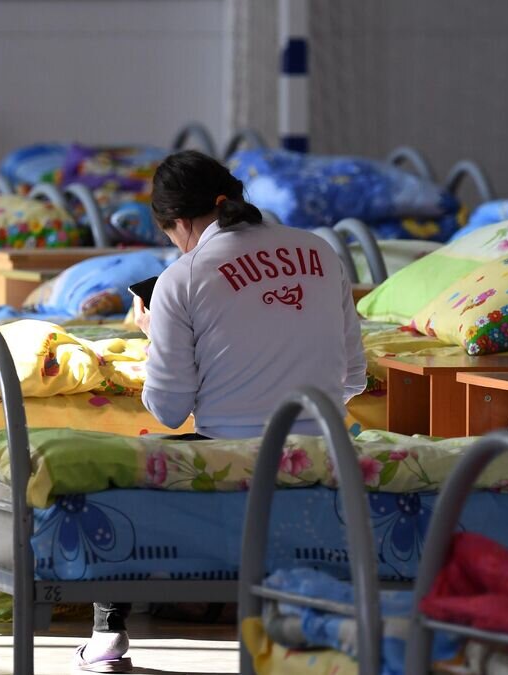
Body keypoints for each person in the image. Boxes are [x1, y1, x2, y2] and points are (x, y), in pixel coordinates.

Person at [74, 150, 367, 672]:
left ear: (178, 221)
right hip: (326, 452)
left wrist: (155, 334)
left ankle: (107, 632)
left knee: (112, 474)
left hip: (229, 459)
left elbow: (168, 410)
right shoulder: (319, 251)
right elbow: (353, 378)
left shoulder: (182, 278)